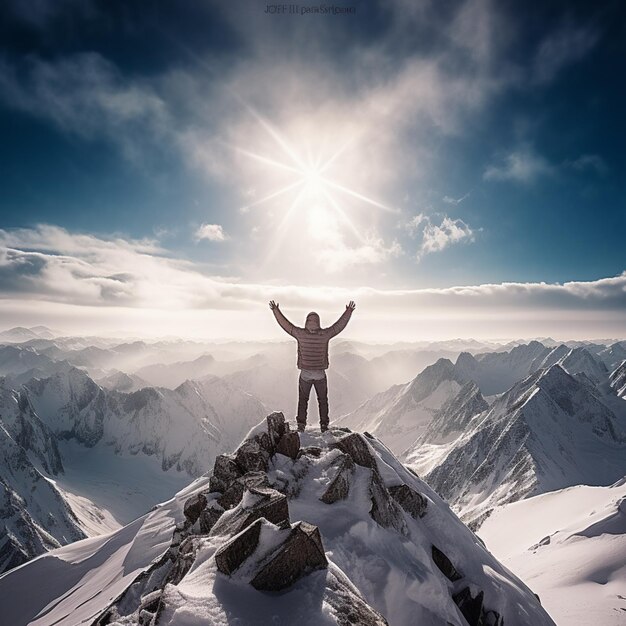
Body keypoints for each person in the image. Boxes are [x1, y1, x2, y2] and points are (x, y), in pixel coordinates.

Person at [269, 300, 356, 432]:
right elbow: (338, 326)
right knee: (322, 400)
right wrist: (348, 311)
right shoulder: (325, 335)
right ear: (318, 322)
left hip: (305, 374)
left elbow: (286, 325)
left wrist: (275, 310)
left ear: (306, 321)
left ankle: (301, 424)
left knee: (303, 400)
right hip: (320, 374)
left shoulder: (300, 334)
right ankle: (324, 425)